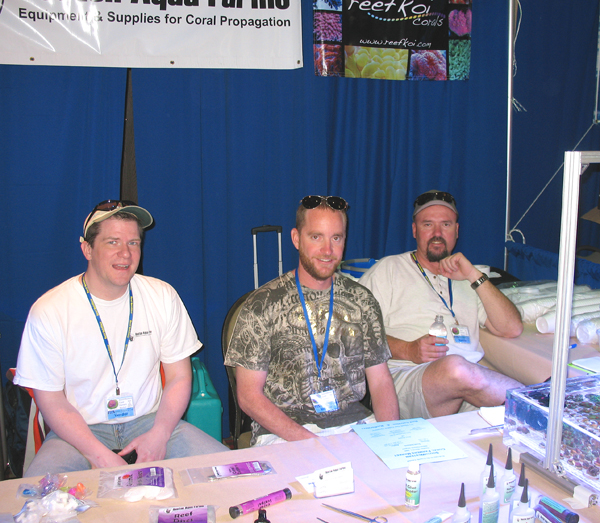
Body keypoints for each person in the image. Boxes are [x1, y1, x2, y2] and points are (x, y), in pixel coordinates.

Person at [15, 199, 228, 477]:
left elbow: (179, 377)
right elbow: (51, 400)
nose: (125, 254)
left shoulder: (162, 296)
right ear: (87, 249)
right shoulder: (49, 310)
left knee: (231, 475)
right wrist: (98, 454)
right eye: (112, 242)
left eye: (133, 243)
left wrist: (160, 434)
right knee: (38, 498)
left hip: (150, 422)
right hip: (78, 432)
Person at [225, 195, 399, 446]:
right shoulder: (262, 305)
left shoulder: (362, 300)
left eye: (336, 238)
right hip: (284, 432)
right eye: (316, 237)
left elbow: (381, 381)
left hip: (353, 423)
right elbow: (249, 397)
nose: (327, 250)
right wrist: (314, 444)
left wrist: (390, 438)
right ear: (296, 239)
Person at [359, 190, 524, 419]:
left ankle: (539, 405)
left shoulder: (468, 276)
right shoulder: (388, 270)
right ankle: (539, 403)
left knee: (506, 419)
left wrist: (474, 275)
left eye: (446, 225)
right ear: (415, 230)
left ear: (456, 231)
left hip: (470, 383)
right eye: (428, 225)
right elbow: (355, 335)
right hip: (408, 379)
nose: (437, 234)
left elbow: (512, 328)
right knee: (454, 368)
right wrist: (408, 349)